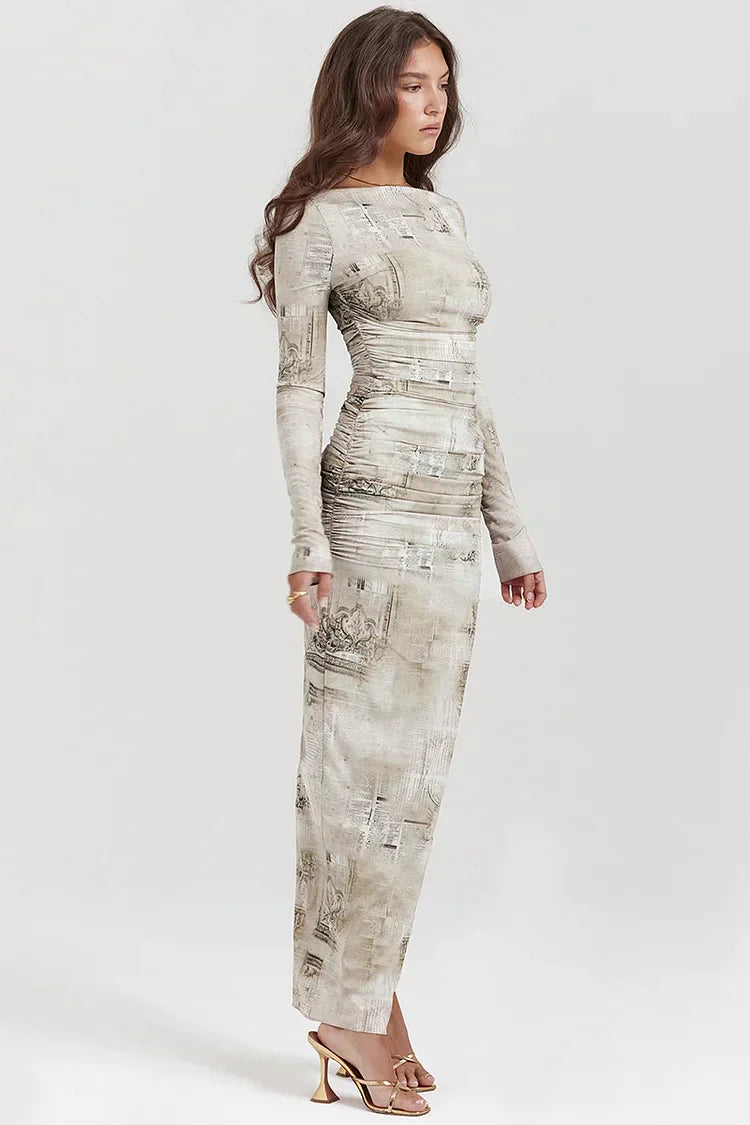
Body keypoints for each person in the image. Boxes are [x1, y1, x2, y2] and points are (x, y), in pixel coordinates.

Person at [248, 7, 547, 1116]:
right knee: (356, 771)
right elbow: (298, 390)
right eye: (413, 83)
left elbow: (465, 385)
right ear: (365, 88)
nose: (434, 103)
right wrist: (306, 540)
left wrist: (509, 530)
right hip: (371, 512)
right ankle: (354, 1015)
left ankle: (358, 1002)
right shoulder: (317, 223)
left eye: (443, 85)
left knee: (412, 781)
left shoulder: (442, 212)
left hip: (449, 517)